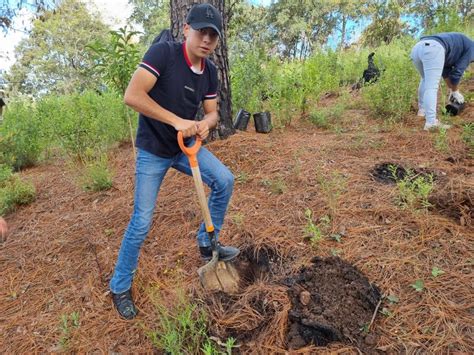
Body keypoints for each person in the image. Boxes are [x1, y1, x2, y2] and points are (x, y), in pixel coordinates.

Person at [109, 3, 240, 320]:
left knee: (224, 181)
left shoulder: (209, 71)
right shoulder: (163, 54)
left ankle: (208, 244)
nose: (206, 40)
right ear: (186, 30)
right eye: (200, 32)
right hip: (154, 148)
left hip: (185, 148)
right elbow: (132, 96)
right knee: (141, 221)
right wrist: (178, 121)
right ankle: (119, 286)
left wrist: (204, 126)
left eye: (213, 35)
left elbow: (211, 112)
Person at [410, 32, 473, 131]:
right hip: (433, 48)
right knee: (431, 87)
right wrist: (456, 91)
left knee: (425, 79)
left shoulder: (457, 48)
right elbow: (457, 71)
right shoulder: (472, 48)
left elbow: (445, 71)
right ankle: (431, 123)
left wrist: (452, 90)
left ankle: (422, 111)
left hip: (417, 48)